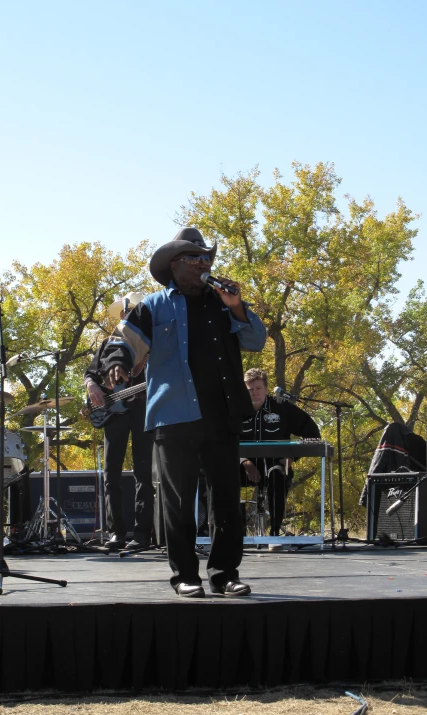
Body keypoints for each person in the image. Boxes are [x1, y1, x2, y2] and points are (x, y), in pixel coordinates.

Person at [98, 227, 267, 597]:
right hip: (174, 419)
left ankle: (224, 574)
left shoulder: (225, 303)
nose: (204, 264)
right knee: (177, 502)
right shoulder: (154, 306)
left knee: (225, 500)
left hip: (222, 415)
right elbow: (122, 342)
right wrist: (117, 363)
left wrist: (238, 306)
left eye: (208, 257)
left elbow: (255, 340)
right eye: (195, 258)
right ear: (175, 265)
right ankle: (185, 576)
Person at [84, 292, 155, 550]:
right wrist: (92, 386)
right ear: (123, 315)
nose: (130, 317)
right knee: (110, 473)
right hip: (113, 414)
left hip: (143, 412)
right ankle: (116, 533)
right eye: (128, 313)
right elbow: (90, 373)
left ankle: (142, 534)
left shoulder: (153, 346)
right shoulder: (107, 344)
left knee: (143, 472)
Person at [240, 368, 320, 539]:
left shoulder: (282, 408)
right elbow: (224, 441)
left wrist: (291, 457)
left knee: (278, 475)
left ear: (266, 389)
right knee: (218, 475)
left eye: (259, 389)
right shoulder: (235, 410)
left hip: (275, 464)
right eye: (250, 390)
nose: (255, 393)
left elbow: (312, 433)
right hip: (244, 466)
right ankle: (230, 533)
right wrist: (245, 462)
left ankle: (275, 533)